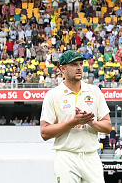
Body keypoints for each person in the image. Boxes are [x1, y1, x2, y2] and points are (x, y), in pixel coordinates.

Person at [40, 50, 111, 183]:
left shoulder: (94, 91)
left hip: (91, 156)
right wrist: (73, 122)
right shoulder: (53, 95)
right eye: (73, 64)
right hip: (66, 156)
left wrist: (91, 122)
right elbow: (44, 132)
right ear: (63, 69)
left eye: (80, 63)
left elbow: (108, 127)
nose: (79, 68)